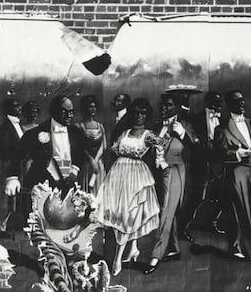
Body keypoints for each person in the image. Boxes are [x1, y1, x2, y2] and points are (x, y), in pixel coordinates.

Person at [97, 98, 162, 275]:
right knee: (121, 215)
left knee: (129, 215)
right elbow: (113, 151)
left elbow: (163, 144)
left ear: (147, 115)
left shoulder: (148, 135)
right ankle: (132, 248)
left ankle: (117, 260)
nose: (139, 116)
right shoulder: (125, 132)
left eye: (143, 113)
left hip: (137, 176)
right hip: (118, 175)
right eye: (136, 112)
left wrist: (160, 159)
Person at [146, 86, 200, 273]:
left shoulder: (185, 124)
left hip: (176, 171)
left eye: (168, 105)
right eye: (162, 105)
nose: (163, 108)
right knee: (171, 209)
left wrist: (183, 134)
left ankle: (156, 255)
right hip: (159, 174)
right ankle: (174, 249)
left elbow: (197, 146)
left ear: (177, 107)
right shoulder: (157, 125)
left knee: (166, 210)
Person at [6, 95, 92, 209]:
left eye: (71, 112)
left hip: (68, 185)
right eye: (64, 111)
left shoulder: (76, 133)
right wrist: (13, 178)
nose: (69, 115)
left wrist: (75, 171)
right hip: (42, 185)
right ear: (53, 111)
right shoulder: (35, 133)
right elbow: (18, 154)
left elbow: (80, 154)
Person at [216, 89, 251, 264]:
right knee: (243, 211)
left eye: (242, 100)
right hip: (237, 171)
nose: (242, 103)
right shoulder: (223, 128)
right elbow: (221, 153)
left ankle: (239, 245)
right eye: (237, 101)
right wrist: (237, 154)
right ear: (229, 105)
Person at [0, 97, 25, 231]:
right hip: (8, 169)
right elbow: (6, 152)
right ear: (9, 109)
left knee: (12, 200)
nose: (19, 108)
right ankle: (2, 227)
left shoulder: (16, 124)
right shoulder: (5, 127)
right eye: (16, 106)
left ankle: (7, 226)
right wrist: (11, 175)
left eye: (19, 106)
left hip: (16, 167)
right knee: (6, 198)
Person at [75, 95, 106, 195]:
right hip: (86, 165)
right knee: (85, 193)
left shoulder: (100, 126)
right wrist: (91, 160)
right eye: (90, 106)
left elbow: (103, 146)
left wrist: (96, 160)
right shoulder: (79, 126)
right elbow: (79, 147)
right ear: (85, 108)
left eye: (94, 106)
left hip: (98, 165)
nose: (93, 109)